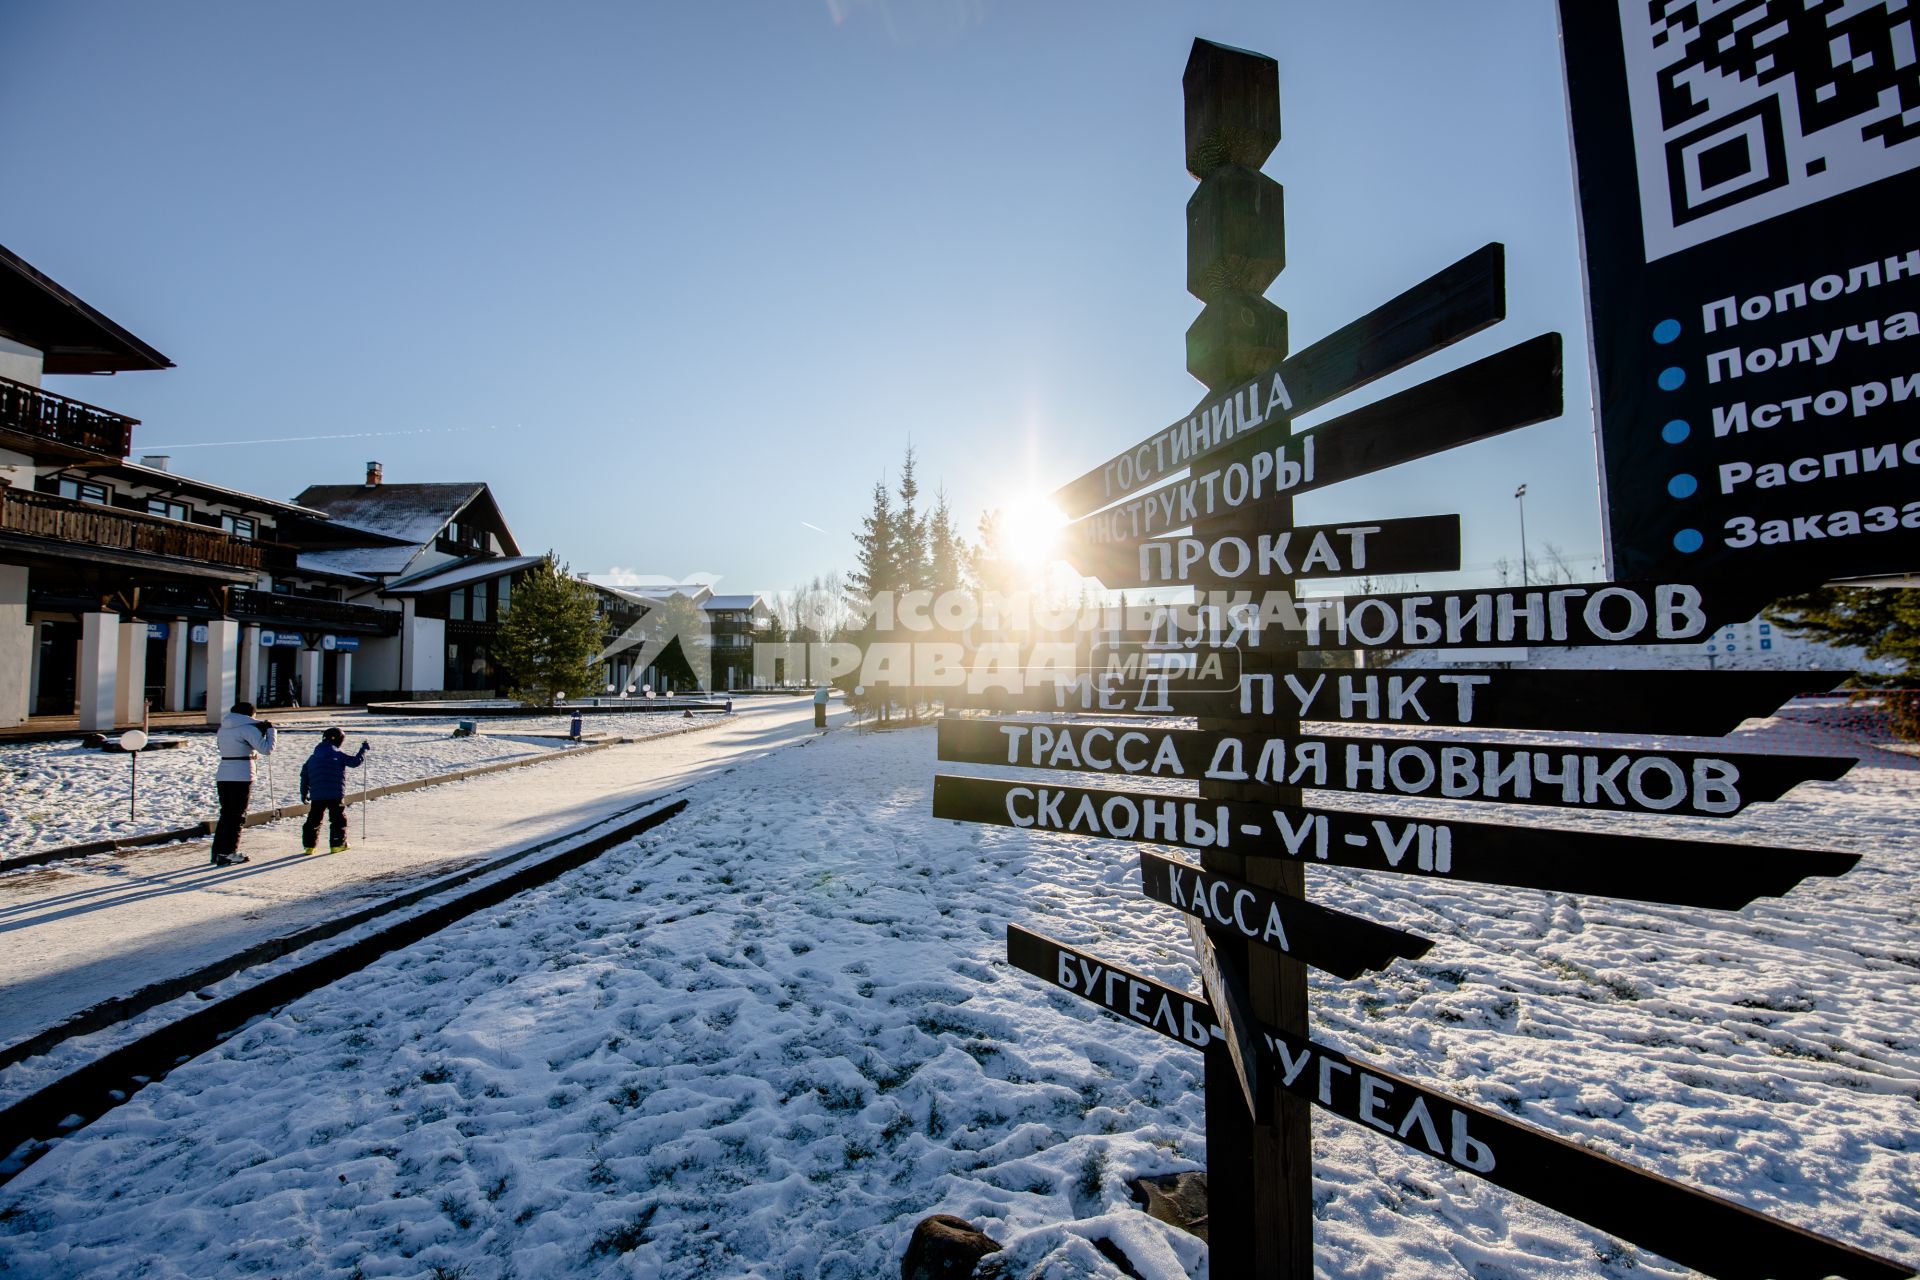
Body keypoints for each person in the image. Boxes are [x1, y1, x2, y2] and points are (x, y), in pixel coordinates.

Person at [211, 700, 275, 867]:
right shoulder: (248, 728)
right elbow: (267, 749)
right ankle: (229, 852)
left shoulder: (223, 729)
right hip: (242, 774)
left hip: (224, 772)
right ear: (250, 714)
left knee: (226, 814)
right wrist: (271, 731)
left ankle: (218, 852)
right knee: (237, 815)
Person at [299, 726, 368, 854]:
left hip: (317, 796)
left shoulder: (312, 758)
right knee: (338, 819)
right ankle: (337, 844)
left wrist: (303, 793)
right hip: (335, 795)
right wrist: (362, 750)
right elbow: (355, 762)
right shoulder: (338, 755)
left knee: (313, 820)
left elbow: (304, 776)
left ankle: (309, 846)